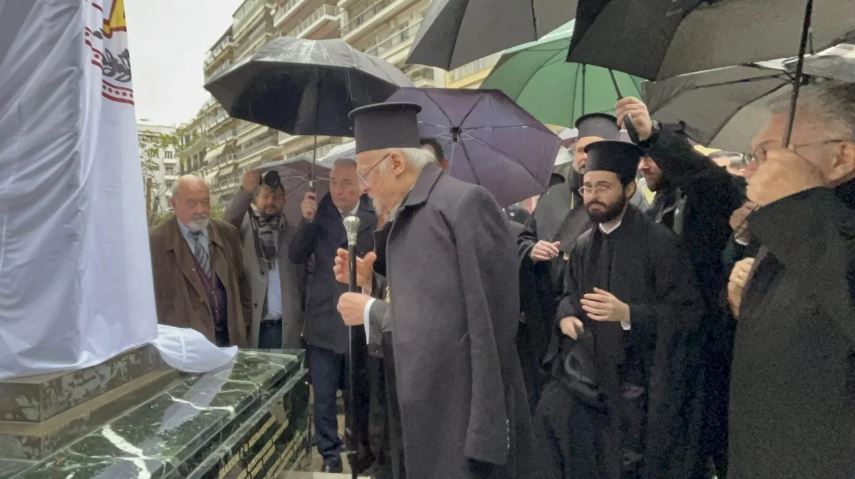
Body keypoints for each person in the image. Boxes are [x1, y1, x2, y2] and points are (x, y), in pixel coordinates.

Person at [335, 102, 533, 478]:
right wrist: (371, 286)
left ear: (395, 163)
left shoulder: (463, 204)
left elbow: (484, 323)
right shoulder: (411, 212)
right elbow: (425, 299)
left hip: (457, 419)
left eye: (365, 174)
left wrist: (369, 312)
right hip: (420, 413)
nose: (364, 188)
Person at [534, 141, 705, 478]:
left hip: (643, 384)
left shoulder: (660, 243)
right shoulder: (583, 245)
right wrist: (567, 314)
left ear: (628, 188)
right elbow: (570, 293)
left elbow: (689, 314)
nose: (593, 195)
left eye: (603, 187)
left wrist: (628, 313)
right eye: (587, 187)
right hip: (593, 378)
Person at [726, 81, 855, 479]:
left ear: (842, 157)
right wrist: (743, 301)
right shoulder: (793, 223)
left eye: (768, 153)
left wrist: (802, 205)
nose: (750, 169)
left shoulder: (807, 215)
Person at [617, 97, 745, 476]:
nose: (644, 165)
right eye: (640, 157)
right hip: (673, 346)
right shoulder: (660, 206)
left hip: (711, 346)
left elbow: (706, 177)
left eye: (652, 157)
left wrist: (653, 136)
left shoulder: (708, 194)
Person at [516, 113, 619, 409]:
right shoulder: (554, 195)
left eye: (595, 149)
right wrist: (532, 250)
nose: (586, 157)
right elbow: (524, 239)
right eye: (580, 150)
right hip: (543, 319)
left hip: (589, 325)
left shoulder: (626, 202)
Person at [288, 159, 377, 473]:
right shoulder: (318, 213)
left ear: (359, 184)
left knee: (358, 394)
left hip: (358, 322)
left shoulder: (374, 215)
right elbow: (295, 255)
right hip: (323, 320)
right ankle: (329, 455)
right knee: (324, 396)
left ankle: (359, 449)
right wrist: (306, 221)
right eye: (335, 183)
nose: (339, 190)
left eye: (347, 183)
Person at [149, 175, 250, 346]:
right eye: (192, 203)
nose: (200, 210)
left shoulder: (227, 234)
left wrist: (242, 325)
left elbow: (242, 286)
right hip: (185, 350)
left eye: (205, 202)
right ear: (174, 204)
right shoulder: (155, 243)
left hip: (230, 344)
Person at [223, 169, 304, 349]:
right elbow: (225, 225)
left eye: (276, 197)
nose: (270, 202)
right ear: (255, 198)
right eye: (265, 196)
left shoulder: (292, 232)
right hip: (255, 328)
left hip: (285, 328)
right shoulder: (244, 228)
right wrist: (244, 191)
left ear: (284, 200)